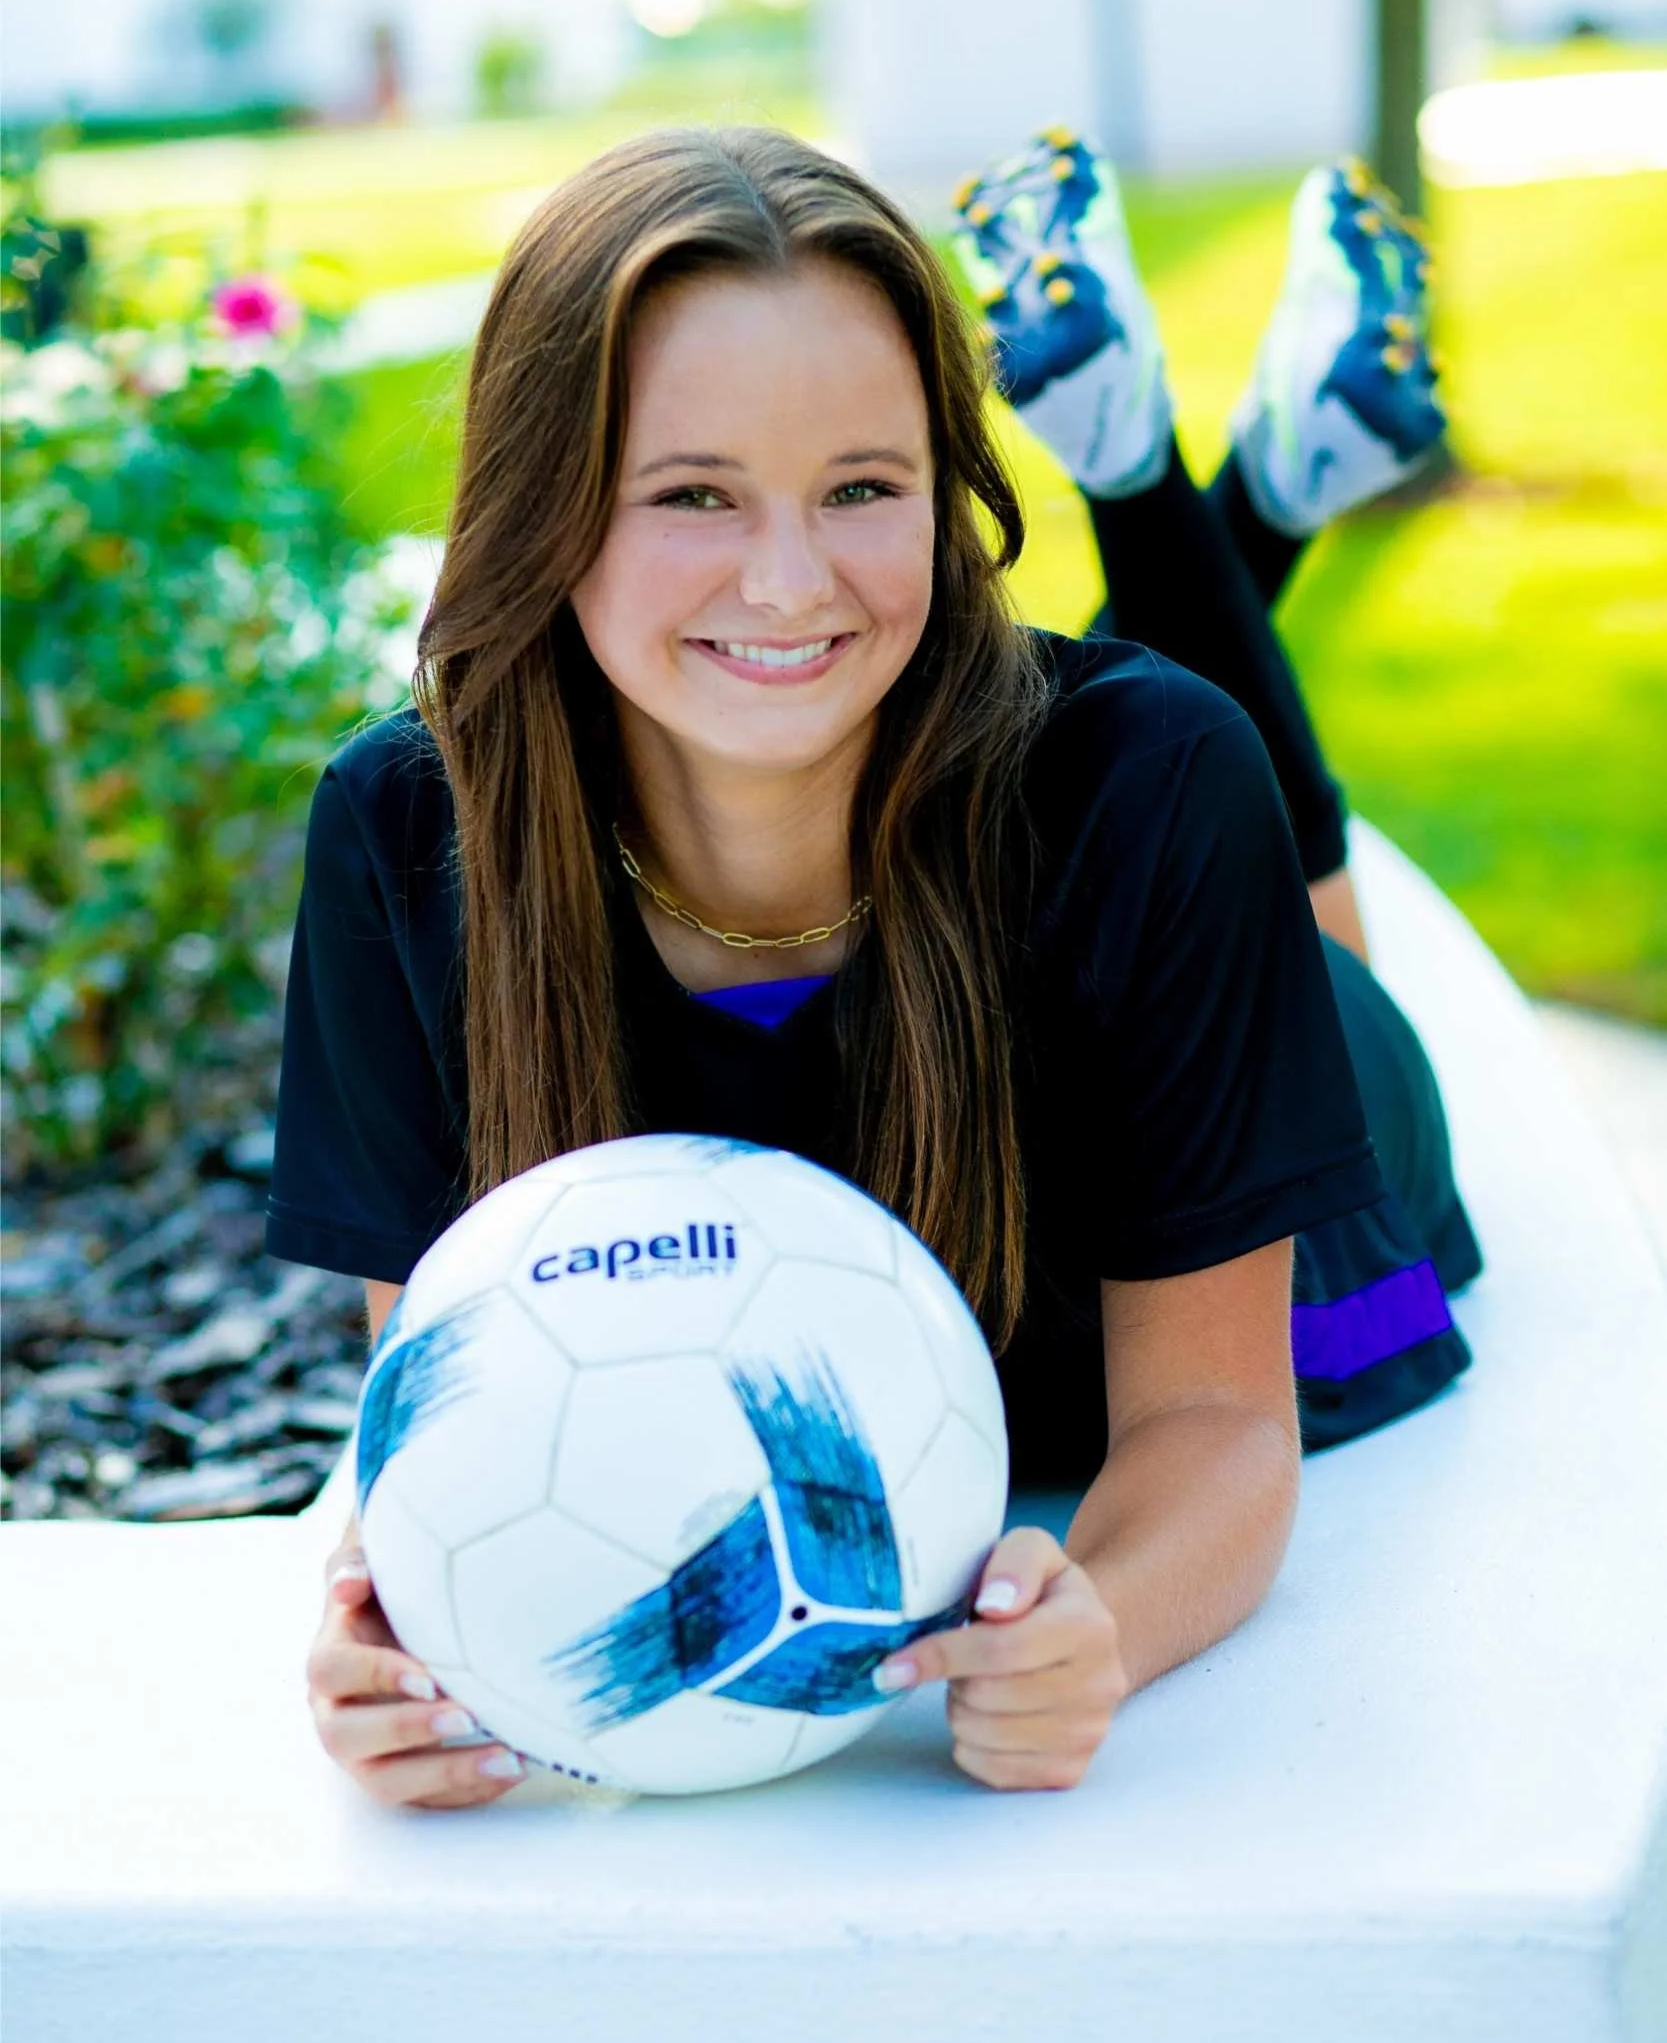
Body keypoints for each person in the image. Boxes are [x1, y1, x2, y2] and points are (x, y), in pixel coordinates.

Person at [277, 123, 1479, 1811]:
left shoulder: (1147, 786)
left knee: (1251, 860)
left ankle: (1156, 477)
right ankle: (1247, 487)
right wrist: (393, 1651)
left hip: (1284, 1097)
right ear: (544, 505)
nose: (786, 581)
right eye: (690, 494)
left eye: (861, 489)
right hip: (1074, 829)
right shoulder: (411, 830)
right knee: (1114, 759)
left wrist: (1097, 1631)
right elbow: (443, 1424)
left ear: (945, 490)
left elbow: (1217, 1423)